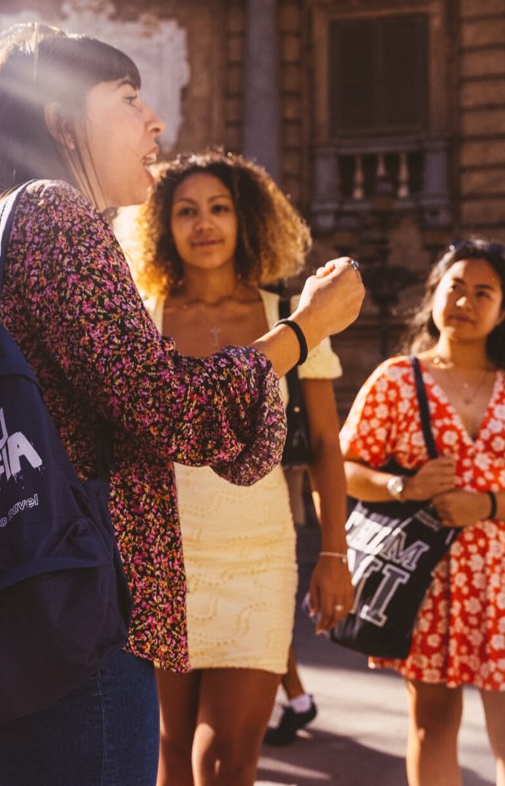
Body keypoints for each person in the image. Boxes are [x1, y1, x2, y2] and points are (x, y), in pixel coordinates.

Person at [0, 25, 364, 785]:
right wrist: (304, 329)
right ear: (62, 119)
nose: (155, 120)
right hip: (78, 608)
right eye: (127, 98)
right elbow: (172, 407)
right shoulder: (57, 218)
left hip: (11, 600)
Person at [119, 150, 354, 784]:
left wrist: (335, 552)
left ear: (245, 220)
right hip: (160, 558)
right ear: (162, 228)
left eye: (219, 209)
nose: (204, 224)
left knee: (225, 762)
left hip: (259, 558)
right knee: (168, 753)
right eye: (186, 212)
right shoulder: (142, 318)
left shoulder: (296, 319)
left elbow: (329, 446)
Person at [340, 238, 505, 786]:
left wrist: (484, 504)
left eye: (482, 292)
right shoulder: (395, 379)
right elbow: (343, 468)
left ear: (503, 311)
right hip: (424, 575)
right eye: (454, 287)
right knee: (432, 727)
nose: (465, 300)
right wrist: (402, 486)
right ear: (434, 294)